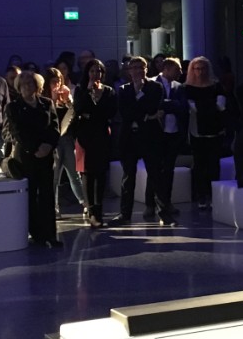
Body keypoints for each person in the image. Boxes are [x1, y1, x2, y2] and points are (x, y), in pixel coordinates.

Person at [4, 71, 60, 247]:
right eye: (24, 84)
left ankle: (51, 235)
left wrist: (48, 146)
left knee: (47, 196)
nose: (28, 86)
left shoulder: (47, 103)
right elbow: (17, 132)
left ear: (37, 86)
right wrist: (35, 149)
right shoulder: (13, 107)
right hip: (27, 157)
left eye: (31, 83)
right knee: (30, 197)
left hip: (46, 156)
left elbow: (55, 128)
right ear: (19, 87)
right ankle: (36, 234)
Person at [112, 56, 169, 226]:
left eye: (140, 67)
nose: (137, 71)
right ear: (129, 71)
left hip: (150, 137)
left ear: (146, 69)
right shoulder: (123, 90)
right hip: (129, 138)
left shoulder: (156, 87)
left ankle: (164, 213)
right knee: (128, 177)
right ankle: (125, 214)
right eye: (134, 68)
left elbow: (152, 107)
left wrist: (143, 110)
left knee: (156, 175)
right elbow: (125, 112)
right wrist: (146, 116)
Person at [72, 59, 117, 228]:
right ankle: (91, 211)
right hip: (85, 136)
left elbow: (110, 112)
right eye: (92, 71)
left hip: (102, 135)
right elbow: (78, 109)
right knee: (87, 173)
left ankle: (99, 210)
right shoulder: (81, 89)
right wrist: (89, 92)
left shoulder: (109, 91)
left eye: (98, 71)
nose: (95, 74)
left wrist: (91, 113)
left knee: (101, 173)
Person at [143, 57, 186, 223]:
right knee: (154, 170)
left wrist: (167, 105)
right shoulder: (152, 84)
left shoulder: (179, 87)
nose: (180, 72)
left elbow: (181, 107)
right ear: (166, 69)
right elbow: (154, 105)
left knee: (169, 170)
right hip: (156, 133)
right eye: (177, 69)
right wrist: (170, 105)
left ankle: (167, 202)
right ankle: (150, 204)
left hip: (173, 133)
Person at [181, 56, 227, 209]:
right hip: (197, 131)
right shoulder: (187, 88)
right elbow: (192, 108)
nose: (200, 72)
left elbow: (221, 106)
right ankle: (201, 195)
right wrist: (208, 106)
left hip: (215, 130)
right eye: (197, 69)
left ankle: (214, 196)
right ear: (192, 70)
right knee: (199, 164)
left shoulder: (216, 86)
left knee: (214, 164)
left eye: (203, 69)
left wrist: (203, 107)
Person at [46, 68, 84, 215]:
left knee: (74, 173)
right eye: (54, 81)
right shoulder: (44, 100)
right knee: (54, 176)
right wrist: (54, 100)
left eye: (59, 81)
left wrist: (68, 100)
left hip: (66, 139)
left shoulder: (66, 97)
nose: (57, 84)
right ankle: (53, 207)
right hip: (53, 140)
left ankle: (85, 203)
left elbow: (74, 115)